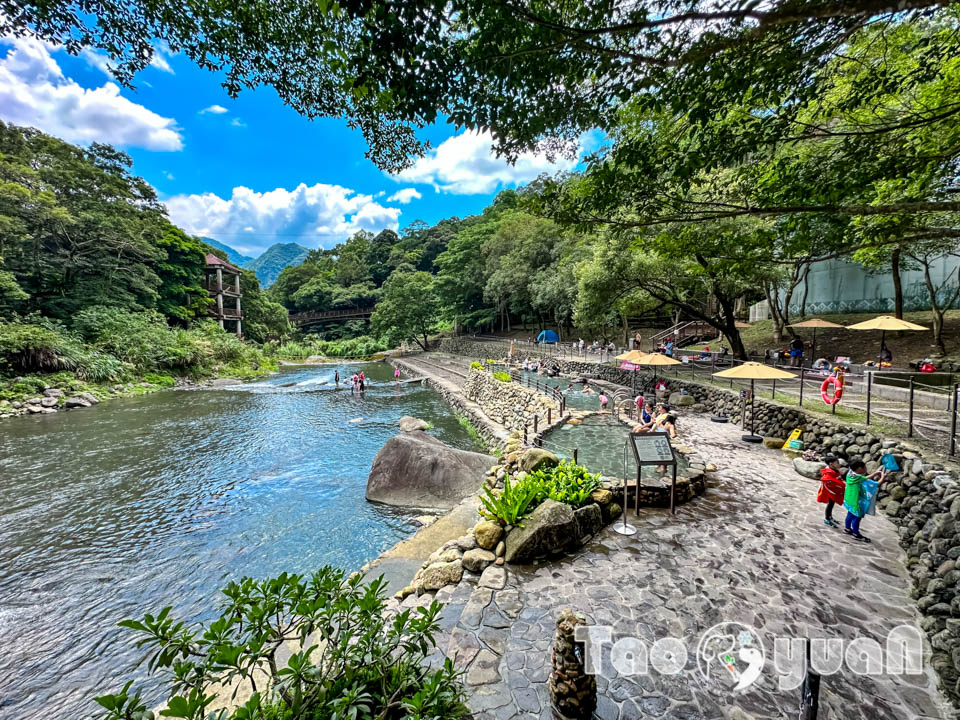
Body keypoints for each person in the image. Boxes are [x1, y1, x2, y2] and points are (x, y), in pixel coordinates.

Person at [843, 459, 885, 542]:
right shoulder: (858, 477)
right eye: (864, 467)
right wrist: (883, 476)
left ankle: (847, 528)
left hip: (849, 498)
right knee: (857, 517)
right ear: (859, 469)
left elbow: (862, 478)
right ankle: (856, 534)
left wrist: (874, 474)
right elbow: (876, 484)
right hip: (857, 500)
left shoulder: (850, 474)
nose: (866, 468)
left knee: (850, 514)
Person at [817, 456, 846, 527]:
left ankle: (830, 517)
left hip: (832, 490)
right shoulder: (828, 472)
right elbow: (829, 481)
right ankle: (827, 519)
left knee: (831, 504)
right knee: (830, 504)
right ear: (831, 464)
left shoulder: (834, 470)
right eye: (837, 462)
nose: (839, 464)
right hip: (830, 491)